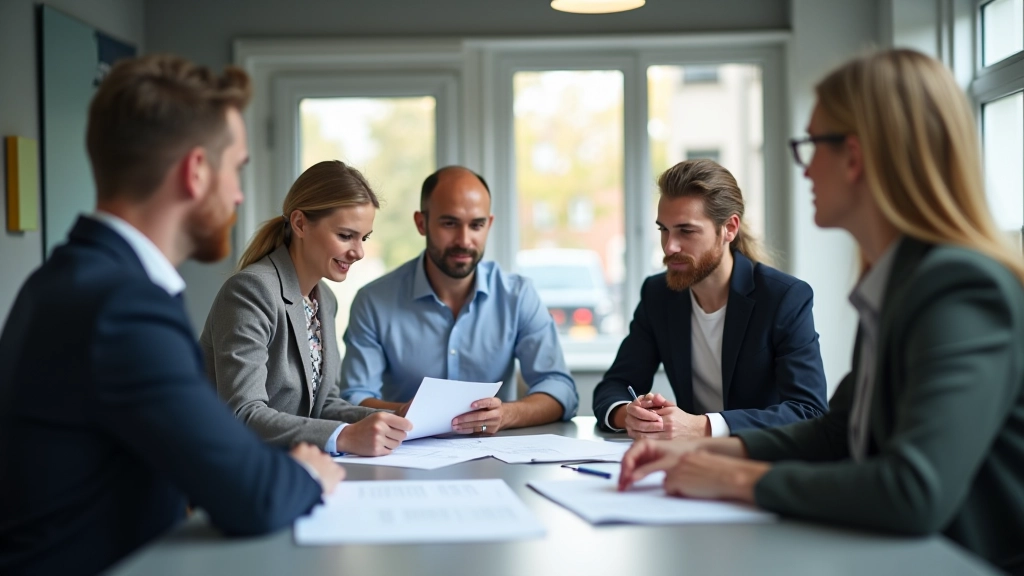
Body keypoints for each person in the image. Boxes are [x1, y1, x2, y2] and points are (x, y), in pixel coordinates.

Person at [619, 49, 1024, 574]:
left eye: (811, 144)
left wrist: (737, 479)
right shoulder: (895, 281)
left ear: (853, 156)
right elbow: (838, 433)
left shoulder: (960, 287)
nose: (804, 166)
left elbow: (913, 490)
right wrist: (711, 454)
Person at [0, 55, 344, 576]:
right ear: (197, 170)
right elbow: (248, 492)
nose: (238, 194)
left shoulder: (74, 278)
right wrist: (308, 474)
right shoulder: (122, 308)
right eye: (236, 169)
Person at [593, 159, 828, 439]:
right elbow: (615, 385)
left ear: (729, 228)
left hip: (761, 463)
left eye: (686, 231)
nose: (669, 246)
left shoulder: (783, 298)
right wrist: (630, 415)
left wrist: (702, 426)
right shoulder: (658, 295)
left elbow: (809, 411)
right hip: (688, 463)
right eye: (663, 230)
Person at [339, 166, 578, 434]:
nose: (464, 240)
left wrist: (507, 414)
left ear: (489, 224)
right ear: (421, 223)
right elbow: (354, 397)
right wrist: (402, 412)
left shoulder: (518, 296)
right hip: (404, 456)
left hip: (496, 461)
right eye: (449, 223)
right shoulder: (373, 301)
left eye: (476, 225)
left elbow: (561, 390)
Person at [200, 160, 413, 456]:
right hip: (237, 468)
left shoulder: (325, 299)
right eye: (345, 235)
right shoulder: (251, 291)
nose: (359, 252)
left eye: (363, 238)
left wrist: (397, 420)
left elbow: (324, 404)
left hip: (294, 464)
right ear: (300, 223)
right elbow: (243, 413)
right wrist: (345, 437)